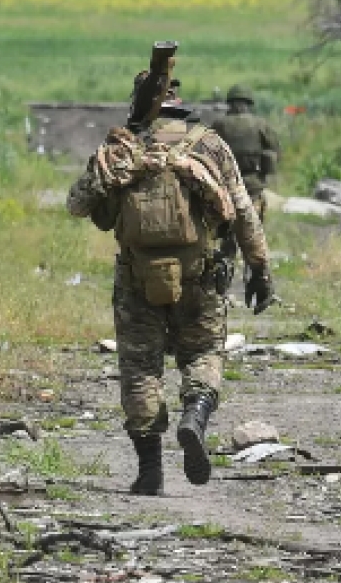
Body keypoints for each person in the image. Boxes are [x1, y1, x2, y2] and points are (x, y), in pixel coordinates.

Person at [67, 56, 273, 497]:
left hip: (136, 278)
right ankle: (195, 414)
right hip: (200, 275)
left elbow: (77, 204)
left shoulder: (120, 150)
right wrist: (259, 267)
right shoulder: (209, 145)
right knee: (202, 353)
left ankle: (149, 472)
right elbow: (241, 211)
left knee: (140, 368)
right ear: (179, 102)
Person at [210, 85, 280, 222]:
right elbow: (275, 149)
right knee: (254, 222)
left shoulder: (219, 124)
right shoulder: (260, 123)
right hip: (254, 181)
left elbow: (208, 150)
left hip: (226, 180)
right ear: (249, 103)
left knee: (228, 221)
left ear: (230, 103)